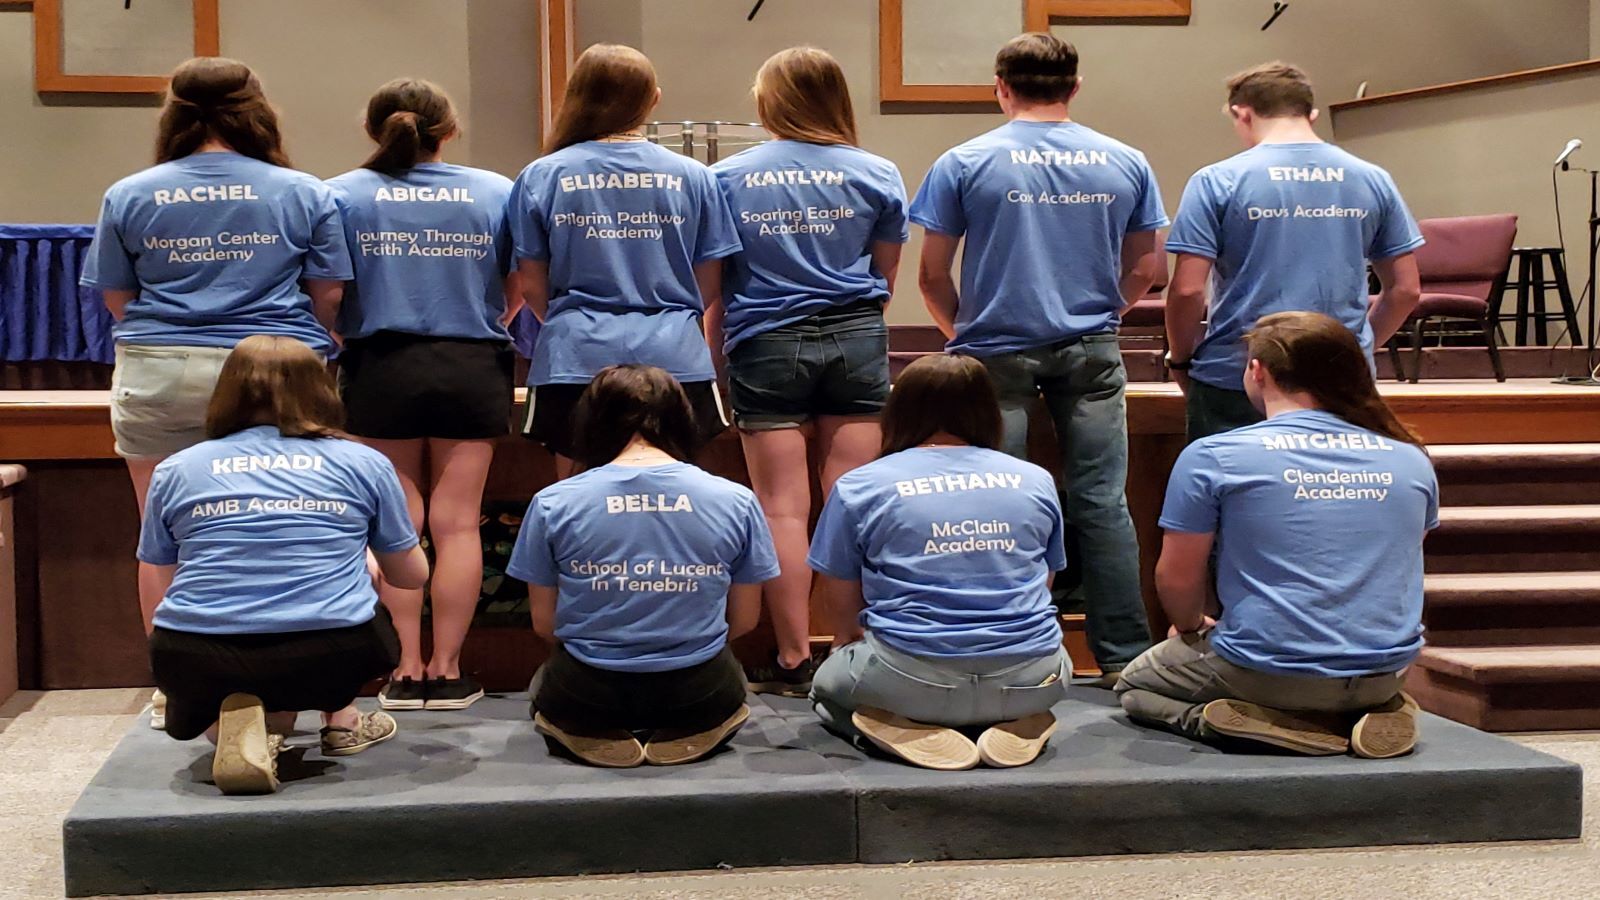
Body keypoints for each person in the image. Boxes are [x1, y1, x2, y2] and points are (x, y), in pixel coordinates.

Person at [81, 56, 352, 729]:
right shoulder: (304, 191)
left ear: (173, 114)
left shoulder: (130, 193)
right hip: (277, 374)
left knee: (162, 536)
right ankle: (297, 692)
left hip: (160, 372)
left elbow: (117, 298)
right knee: (292, 525)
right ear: (258, 113)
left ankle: (177, 690)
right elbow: (328, 296)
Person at [909, 33, 1165, 684]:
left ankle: (1008, 653)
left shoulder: (964, 161)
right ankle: (1123, 657)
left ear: (1000, 87)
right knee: (1102, 503)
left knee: (999, 501)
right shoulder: (1126, 160)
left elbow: (932, 276)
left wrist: (964, 335)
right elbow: (1147, 267)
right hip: (1091, 350)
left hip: (995, 350)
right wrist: (1103, 316)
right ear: (1075, 87)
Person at [1117, 311, 1436, 759]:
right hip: (1386, 671)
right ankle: (1380, 708)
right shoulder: (1411, 457)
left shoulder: (1215, 455)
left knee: (1134, 687)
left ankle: (1263, 722)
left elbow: (1177, 576)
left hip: (1268, 673)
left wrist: (1189, 627)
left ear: (1257, 370)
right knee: (1349, 683)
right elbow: (1401, 565)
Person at [139, 335, 429, 795]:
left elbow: (163, 573)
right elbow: (411, 576)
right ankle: (342, 721)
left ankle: (243, 722)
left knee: (219, 696)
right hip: (329, 654)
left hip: (193, 654)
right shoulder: (365, 462)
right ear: (321, 389)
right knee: (362, 571)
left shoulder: (176, 469)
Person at [708, 47, 909, 696]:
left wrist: (717, 365)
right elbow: (885, 279)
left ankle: (795, 656)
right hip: (857, 337)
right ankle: (850, 647)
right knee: (853, 503)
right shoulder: (877, 171)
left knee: (783, 511)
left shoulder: (727, 177)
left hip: (765, 342)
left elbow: (713, 290)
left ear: (770, 101)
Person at [326, 79, 519, 712]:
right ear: (450, 131)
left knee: (397, 523)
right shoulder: (495, 191)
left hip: (381, 364)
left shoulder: (341, 193)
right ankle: (449, 669)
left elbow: (328, 291)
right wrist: (487, 320)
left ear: (372, 129)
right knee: (458, 522)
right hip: (472, 363)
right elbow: (519, 283)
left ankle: (405, 669)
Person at [807, 354, 1072, 771]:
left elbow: (839, 600)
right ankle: (1014, 724)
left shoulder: (859, 485)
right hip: (1035, 678)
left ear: (898, 412)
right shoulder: (1036, 479)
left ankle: (899, 730)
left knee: (824, 688)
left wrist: (851, 643)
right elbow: (1044, 581)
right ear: (988, 410)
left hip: (907, 682)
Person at [507, 365, 780, 768]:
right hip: (702, 688)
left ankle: (587, 728)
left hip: (586, 691)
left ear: (592, 421)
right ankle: (695, 725)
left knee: (542, 683)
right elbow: (743, 620)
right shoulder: (736, 500)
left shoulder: (553, 502)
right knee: (729, 680)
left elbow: (545, 624)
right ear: (682, 418)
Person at [507, 44, 741, 476]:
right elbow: (709, 282)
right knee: (675, 494)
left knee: (580, 497)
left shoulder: (542, 175)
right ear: (654, 98)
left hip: (575, 356)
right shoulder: (695, 176)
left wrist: (575, 320)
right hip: (674, 357)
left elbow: (532, 284)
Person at [1164, 62, 1424, 442]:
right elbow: (1405, 290)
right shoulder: (1372, 179)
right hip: (1340, 379)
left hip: (1238, 375)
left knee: (1231, 480)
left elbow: (1187, 290)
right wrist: (1352, 352)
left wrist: (1180, 360)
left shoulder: (1216, 181)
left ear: (1242, 113)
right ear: (1311, 115)